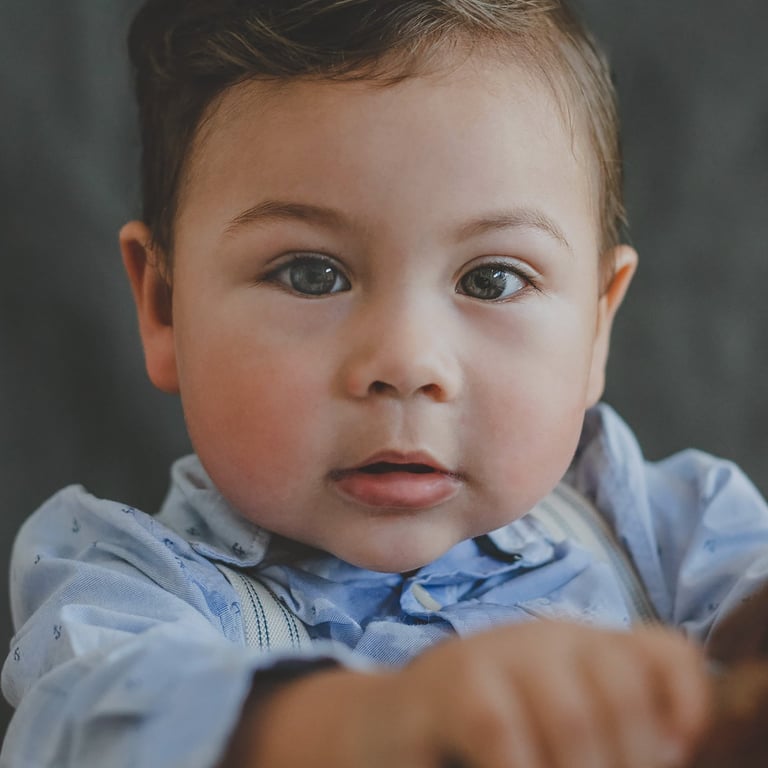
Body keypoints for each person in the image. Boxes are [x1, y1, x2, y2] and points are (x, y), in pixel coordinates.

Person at [2, 1, 768, 766]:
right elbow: (85, 726)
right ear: (165, 308)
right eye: (311, 274)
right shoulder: (120, 584)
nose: (406, 363)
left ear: (597, 327)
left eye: (493, 278)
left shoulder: (671, 534)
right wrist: (370, 725)